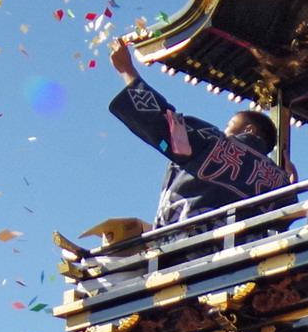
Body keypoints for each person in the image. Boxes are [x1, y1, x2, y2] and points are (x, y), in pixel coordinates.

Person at [107, 36, 292, 229]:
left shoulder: (217, 143)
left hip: (188, 247)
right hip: (245, 255)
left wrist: (127, 71)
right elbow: (286, 218)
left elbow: (166, 124)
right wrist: (289, 183)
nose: (225, 130)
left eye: (230, 124)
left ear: (249, 130)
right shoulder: (279, 180)